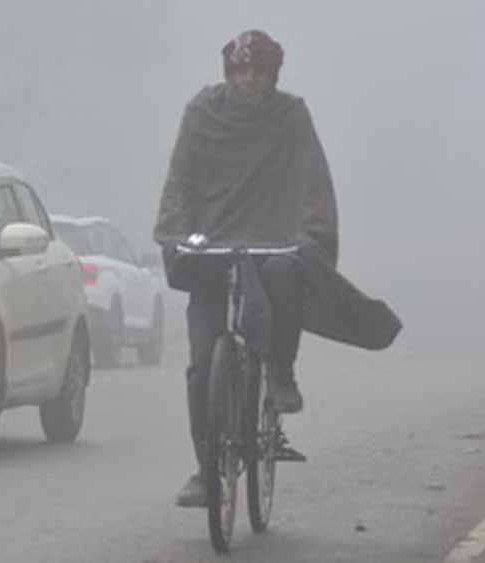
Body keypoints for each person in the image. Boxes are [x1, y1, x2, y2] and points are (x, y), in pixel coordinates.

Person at [153, 30, 402, 507]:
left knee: (287, 275)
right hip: (211, 249)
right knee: (202, 366)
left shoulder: (290, 117)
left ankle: (282, 373)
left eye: (260, 72)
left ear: (274, 76)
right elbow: (179, 180)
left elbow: (313, 184)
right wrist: (175, 234)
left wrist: (310, 235)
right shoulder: (202, 113)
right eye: (241, 71)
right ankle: (207, 471)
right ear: (228, 73)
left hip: (273, 242)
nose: (250, 79)